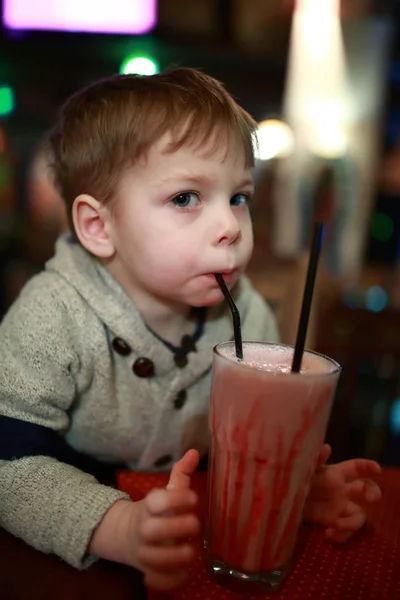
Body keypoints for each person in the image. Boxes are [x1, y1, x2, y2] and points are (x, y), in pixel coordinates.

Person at [0, 68, 381, 592]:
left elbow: (248, 454)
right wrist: (117, 526)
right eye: (185, 198)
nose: (230, 226)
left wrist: (296, 493)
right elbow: (8, 465)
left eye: (239, 196)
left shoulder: (251, 317)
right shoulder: (53, 316)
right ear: (98, 227)